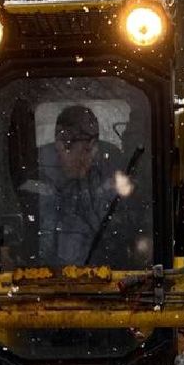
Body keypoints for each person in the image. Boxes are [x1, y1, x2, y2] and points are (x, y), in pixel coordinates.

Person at [24, 104, 135, 267]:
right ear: (62, 144)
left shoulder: (106, 181)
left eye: (94, 148)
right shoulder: (33, 185)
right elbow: (25, 248)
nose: (91, 157)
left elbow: (120, 237)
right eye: (86, 149)